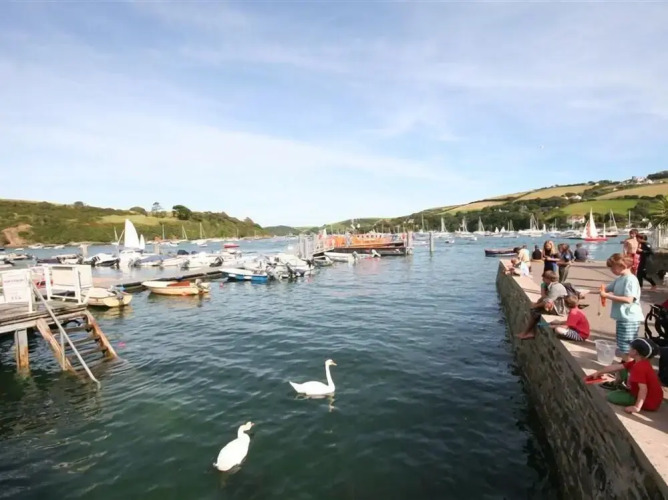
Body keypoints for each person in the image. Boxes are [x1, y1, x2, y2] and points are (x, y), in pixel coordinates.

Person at [586, 338, 662, 414]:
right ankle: (618, 385)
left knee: (611, 397)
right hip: (651, 396)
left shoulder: (639, 368)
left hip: (648, 402)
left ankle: (632, 398)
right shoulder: (638, 362)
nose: (628, 350)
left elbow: (643, 389)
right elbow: (616, 367)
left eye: (630, 348)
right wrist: (598, 372)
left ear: (635, 352)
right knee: (622, 368)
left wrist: (637, 407)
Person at [600, 253, 643, 362]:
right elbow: (605, 290)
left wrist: (607, 296)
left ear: (622, 266)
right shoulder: (620, 279)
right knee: (622, 345)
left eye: (612, 267)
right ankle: (625, 367)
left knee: (627, 348)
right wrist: (587, 292)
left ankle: (628, 369)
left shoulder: (630, 280)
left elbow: (629, 299)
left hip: (629, 318)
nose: (611, 270)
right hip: (622, 317)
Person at [517, 270, 567, 340]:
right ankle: (529, 332)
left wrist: (536, 306)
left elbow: (547, 301)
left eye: (543, 278)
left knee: (535, 311)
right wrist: (537, 302)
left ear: (548, 279)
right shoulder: (552, 285)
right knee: (535, 310)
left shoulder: (555, 288)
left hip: (558, 309)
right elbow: (544, 297)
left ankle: (527, 332)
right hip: (555, 305)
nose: (542, 279)